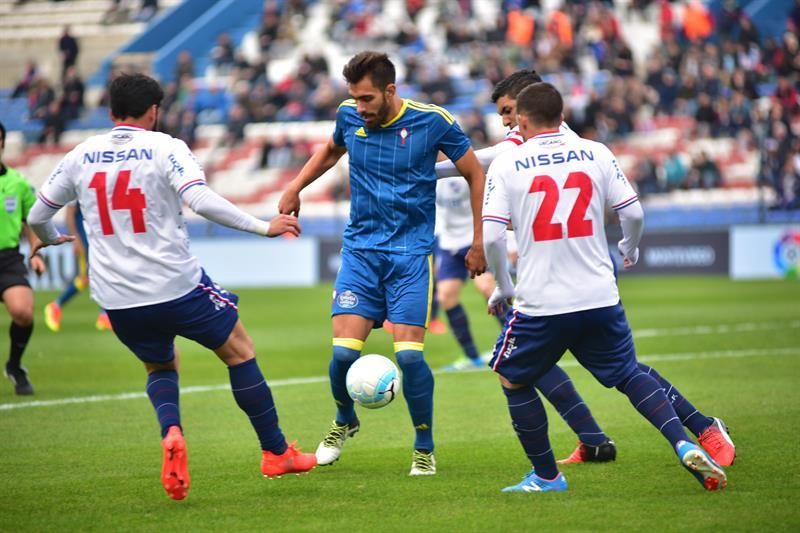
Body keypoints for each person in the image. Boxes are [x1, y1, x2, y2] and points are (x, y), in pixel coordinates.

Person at [27, 73, 316, 501]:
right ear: (154, 111)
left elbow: (37, 215)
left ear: (110, 113)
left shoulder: (80, 155)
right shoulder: (166, 147)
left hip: (116, 298)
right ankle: (276, 452)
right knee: (239, 350)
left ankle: (173, 430)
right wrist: (262, 226)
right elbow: (198, 200)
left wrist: (50, 240)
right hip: (175, 284)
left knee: (161, 366)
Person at [439, 69, 736, 466]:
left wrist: (419, 169)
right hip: (579, 281)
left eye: (510, 111)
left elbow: (480, 167)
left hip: (558, 280)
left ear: (530, 107)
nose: (506, 121)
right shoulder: (584, 149)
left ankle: (697, 427)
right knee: (614, 370)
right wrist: (629, 245)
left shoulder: (528, 152)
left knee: (523, 366)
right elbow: (630, 212)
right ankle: (610, 438)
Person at [278, 51, 487, 475]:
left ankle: (424, 448)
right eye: (354, 98)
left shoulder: (433, 122)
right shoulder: (349, 116)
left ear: (390, 91)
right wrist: (295, 185)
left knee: (410, 359)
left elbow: (476, 175)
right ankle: (343, 419)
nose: (360, 107)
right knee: (341, 356)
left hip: (410, 256)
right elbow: (331, 151)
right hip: (361, 252)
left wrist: (480, 240)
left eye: (367, 98)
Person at [0, 121, 46, 396]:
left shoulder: (17, 183)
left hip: (7, 259)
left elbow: (31, 221)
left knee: (23, 312)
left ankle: (14, 366)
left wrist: (35, 252)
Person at [43, 202, 112, 332]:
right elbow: (69, 215)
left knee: (96, 274)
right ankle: (56, 306)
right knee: (86, 277)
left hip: (94, 240)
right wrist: (75, 240)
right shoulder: (77, 185)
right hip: (84, 241)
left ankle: (104, 315)